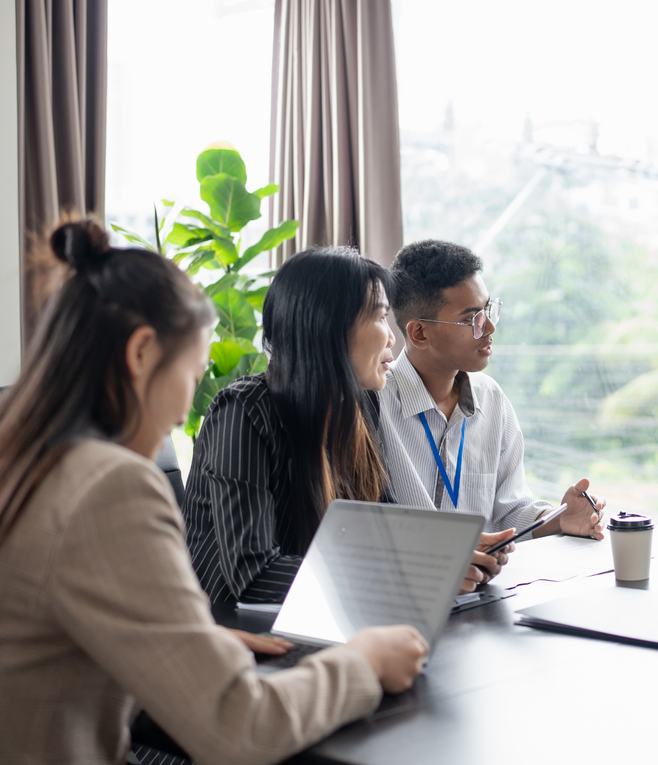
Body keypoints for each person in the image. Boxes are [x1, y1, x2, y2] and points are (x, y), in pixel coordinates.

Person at [0, 223, 427, 765]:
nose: (183, 413)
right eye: (191, 373)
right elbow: (237, 730)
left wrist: (190, 641)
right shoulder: (108, 486)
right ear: (140, 354)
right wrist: (362, 664)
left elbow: (26, 643)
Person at [184, 244, 510, 616]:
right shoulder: (244, 410)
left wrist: (451, 553)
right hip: (234, 631)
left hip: (320, 620)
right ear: (329, 327)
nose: (392, 338)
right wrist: (414, 573)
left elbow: (382, 527)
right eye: (380, 317)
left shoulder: (359, 405)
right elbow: (253, 575)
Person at [373, 239, 606, 583]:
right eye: (473, 319)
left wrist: (560, 519)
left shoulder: (491, 399)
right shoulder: (372, 403)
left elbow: (509, 511)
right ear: (420, 333)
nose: (490, 328)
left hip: (480, 588)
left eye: (488, 310)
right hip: (406, 589)